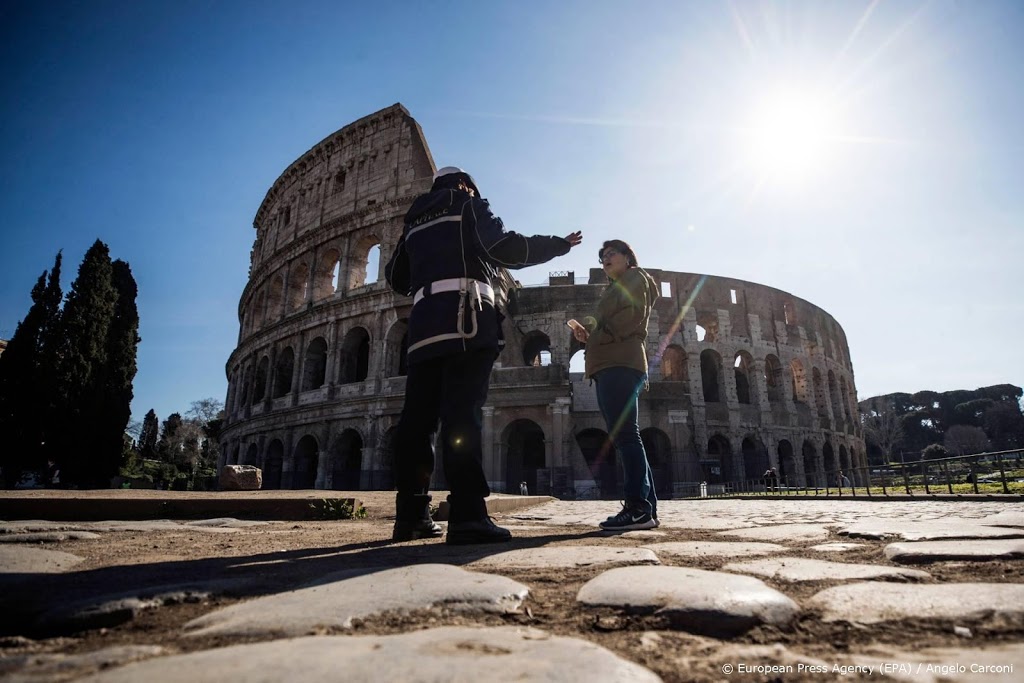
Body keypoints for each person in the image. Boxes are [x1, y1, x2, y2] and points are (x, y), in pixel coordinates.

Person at [385, 166, 582, 544]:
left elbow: (397, 276)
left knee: (417, 422)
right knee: (462, 418)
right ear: (465, 185)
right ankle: (468, 515)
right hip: (465, 321)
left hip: (423, 328)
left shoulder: (413, 222)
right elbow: (505, 247)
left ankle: (410, 515)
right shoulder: (468, 205)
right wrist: (557, 244)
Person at [572, 240, 660, 531]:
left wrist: (595, 336)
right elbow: (611, 325)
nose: (605, 260)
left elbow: (630, 319)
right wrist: (589, 335)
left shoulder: (635, 278)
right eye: (602, 257)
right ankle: (646, 508)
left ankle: (637, 507)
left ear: (627, 257)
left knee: (625, 436)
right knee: (627, 435)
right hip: (612, 363)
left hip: (619, 364)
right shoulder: (617, 286)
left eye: (611, 254)